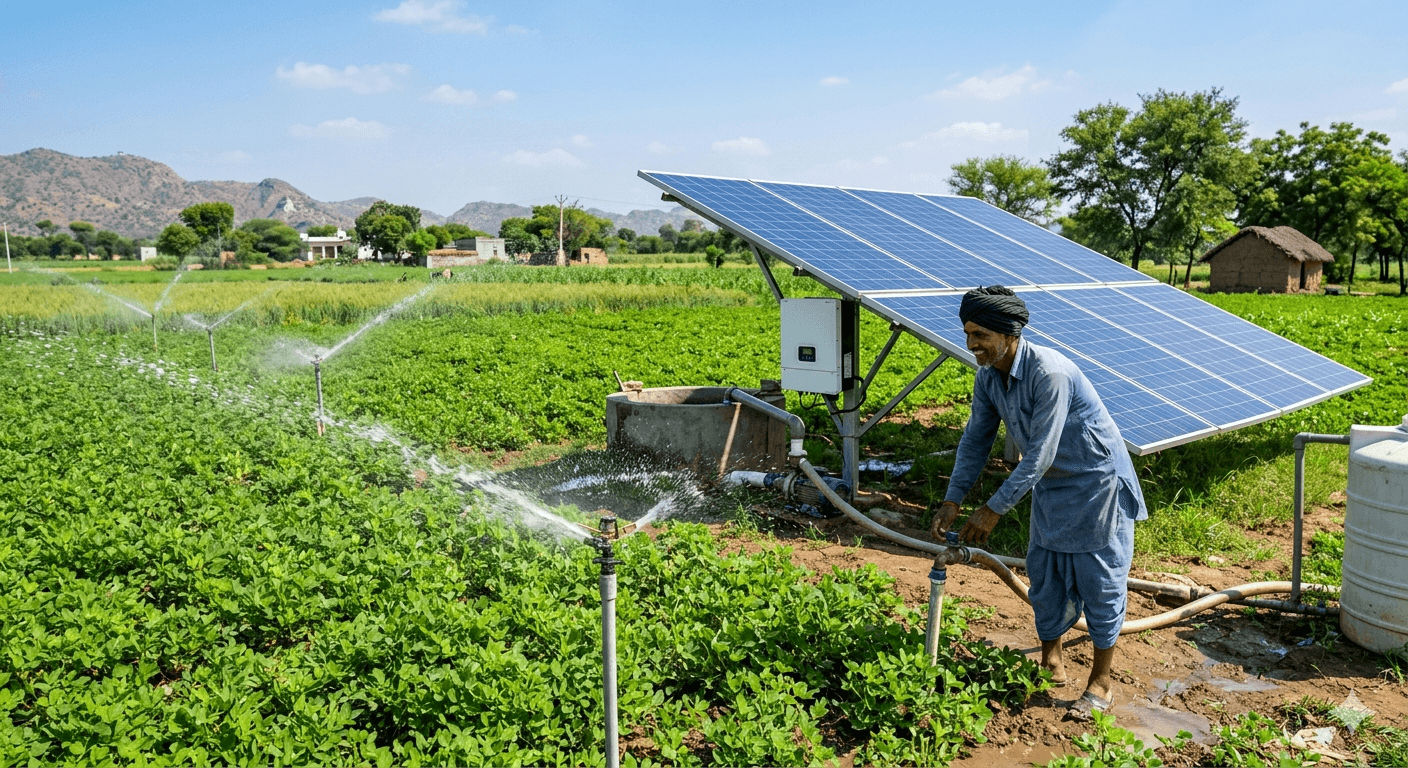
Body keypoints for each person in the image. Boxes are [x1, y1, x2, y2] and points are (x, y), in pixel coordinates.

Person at [930, 285, 1147, 721]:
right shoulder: (988, 376)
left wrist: (992, 509)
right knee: (1045, 578)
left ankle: (1101, 684)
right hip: (1050, 485)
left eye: (980, 335)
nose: (971, 344)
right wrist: (953, 499)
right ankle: (1052, 661)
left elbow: (1041, 451)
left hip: (1095, 485)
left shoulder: (1050, 372)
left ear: (1010, 334)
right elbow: (976, 440)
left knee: (1099, 585)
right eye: (967, 333)